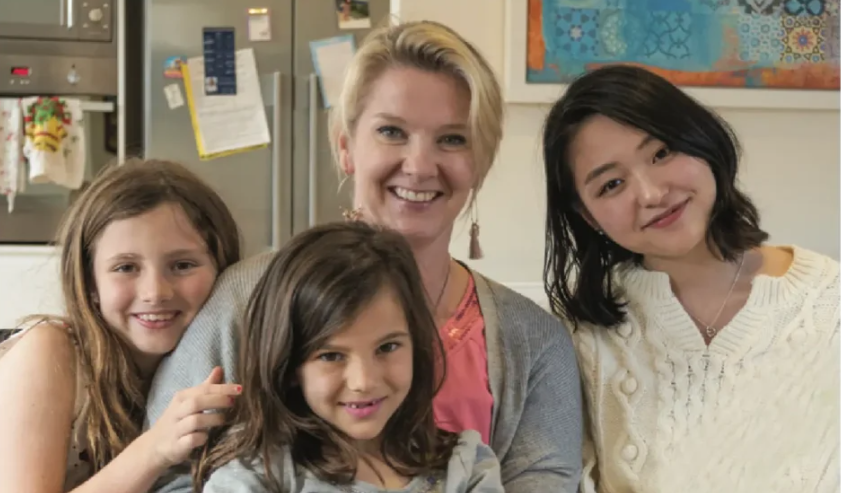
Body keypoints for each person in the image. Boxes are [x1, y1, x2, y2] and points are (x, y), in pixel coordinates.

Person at [146, 20, 582, 493]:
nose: (419, 165)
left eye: (453, 139)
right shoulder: (243, 300)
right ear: (346, 147)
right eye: (392, 131)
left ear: (481, 163)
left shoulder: (535, 343)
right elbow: (167, 474)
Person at [542, 64, 839, 492]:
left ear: (702, 139)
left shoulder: (829, 300)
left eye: (661, 153)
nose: (651, 194)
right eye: (612, 184)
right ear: (588, 216)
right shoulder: (578, 336)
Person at [193, 221, 504, 492]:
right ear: (289, 365)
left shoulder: (466, 466)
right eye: (331, 356)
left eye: (387, 347)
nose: (364, 381)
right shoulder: (256, 477)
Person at [0, 159, 244, 492]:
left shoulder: (217, 358)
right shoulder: (49, 352)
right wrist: (154, 449)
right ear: (90, 282)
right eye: (126, 267)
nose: (155, 292)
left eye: (183, 265)